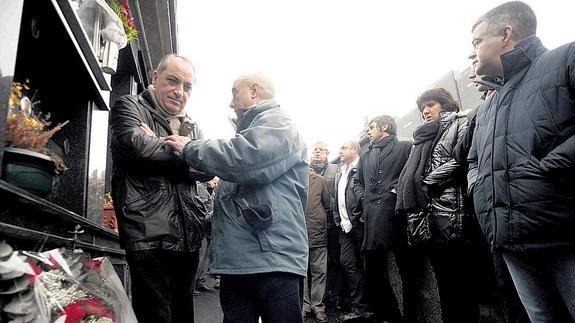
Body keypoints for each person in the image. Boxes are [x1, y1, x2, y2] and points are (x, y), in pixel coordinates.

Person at [164, 73, 309, 323]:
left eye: (234, 93)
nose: (231, 103)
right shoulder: (250, 133)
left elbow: (246, 158)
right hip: (244, 259)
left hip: (271, 259)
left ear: (254, 91)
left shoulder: (278, 122)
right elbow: (228, 171)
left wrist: (189, 147)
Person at [468, 1, 575, 321]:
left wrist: (550, 168)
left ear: (505, 33)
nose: (473, 52)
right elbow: (474, 160)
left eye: (477, 42)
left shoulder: (565, 59)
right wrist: (479, 188)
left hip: (561, 228)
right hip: (510, 239)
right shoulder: (489, 106)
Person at [110, 54, 211, 323]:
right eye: (173, 81)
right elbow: (136, 146)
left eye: (187, 86)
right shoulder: (129, 105)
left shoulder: (192, 126)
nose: (180, 92)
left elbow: (207, 169)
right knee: (155, 316)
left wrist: (159, 142)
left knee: (182, 316)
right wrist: (187, 153)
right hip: (147, 233)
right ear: (155, 78)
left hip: (189, 236)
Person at [396, 88, 480, 323]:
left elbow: (459, 159)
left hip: (453, 215)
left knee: (461, 283)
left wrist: (427, 181)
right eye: (422, 108)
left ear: (445, 104)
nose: (425, 111)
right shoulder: (421, 138)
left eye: (430, 105)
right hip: (427, 218)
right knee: (443, 281)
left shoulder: (458, 124)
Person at [353, 116, 415, 323]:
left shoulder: (405, 147)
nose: (368, 131)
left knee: (407, 268)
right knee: (374, 270)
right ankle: (390, 315)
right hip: (371, 218)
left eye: (371, 127)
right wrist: (362, 197)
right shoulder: (365, 156)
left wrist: (396, 190)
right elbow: (357, 182)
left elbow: (412, 173)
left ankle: (411, 315)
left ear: (385, 127)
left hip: (397, 216)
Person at [333, 141, 372, 321]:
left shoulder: (362, 166)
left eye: (343, 148)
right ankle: (360, 307)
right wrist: (337, 219)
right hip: (344, 227)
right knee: (347, 263)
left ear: (354, 150)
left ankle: (372, 307)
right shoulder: (340, 172)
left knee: (368, 265)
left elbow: (366, 192)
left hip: (360, 225)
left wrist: (360, 215)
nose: (339, 151)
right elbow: (336, 199)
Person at [309, 142, 345, 310]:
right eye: (315, 150)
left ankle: (335, 296)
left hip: (331, 223)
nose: (317, 152)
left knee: (334, 262)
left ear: (327, 153)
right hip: (313, 225)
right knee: (313, 266)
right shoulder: (305, 172)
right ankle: (313, 301)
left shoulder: (335, 169)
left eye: (321, 150)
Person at [303, 169, 330, 323]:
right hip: (297, 233)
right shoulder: (291, 178)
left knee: (319, 270)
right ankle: (304, 306)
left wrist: (321, 223)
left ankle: (318, 306)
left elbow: (327, 205)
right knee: (301, 273)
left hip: (317, 231)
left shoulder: (319, 180)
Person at [194, 177, 220, 295]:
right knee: (201, 256)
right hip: (203, 227)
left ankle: (200, 281)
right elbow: (201, 208)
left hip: (207, 227)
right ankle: (194, 283)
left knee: (205, 256)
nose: (214, 182)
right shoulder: (199, 187)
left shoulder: (205, 189)